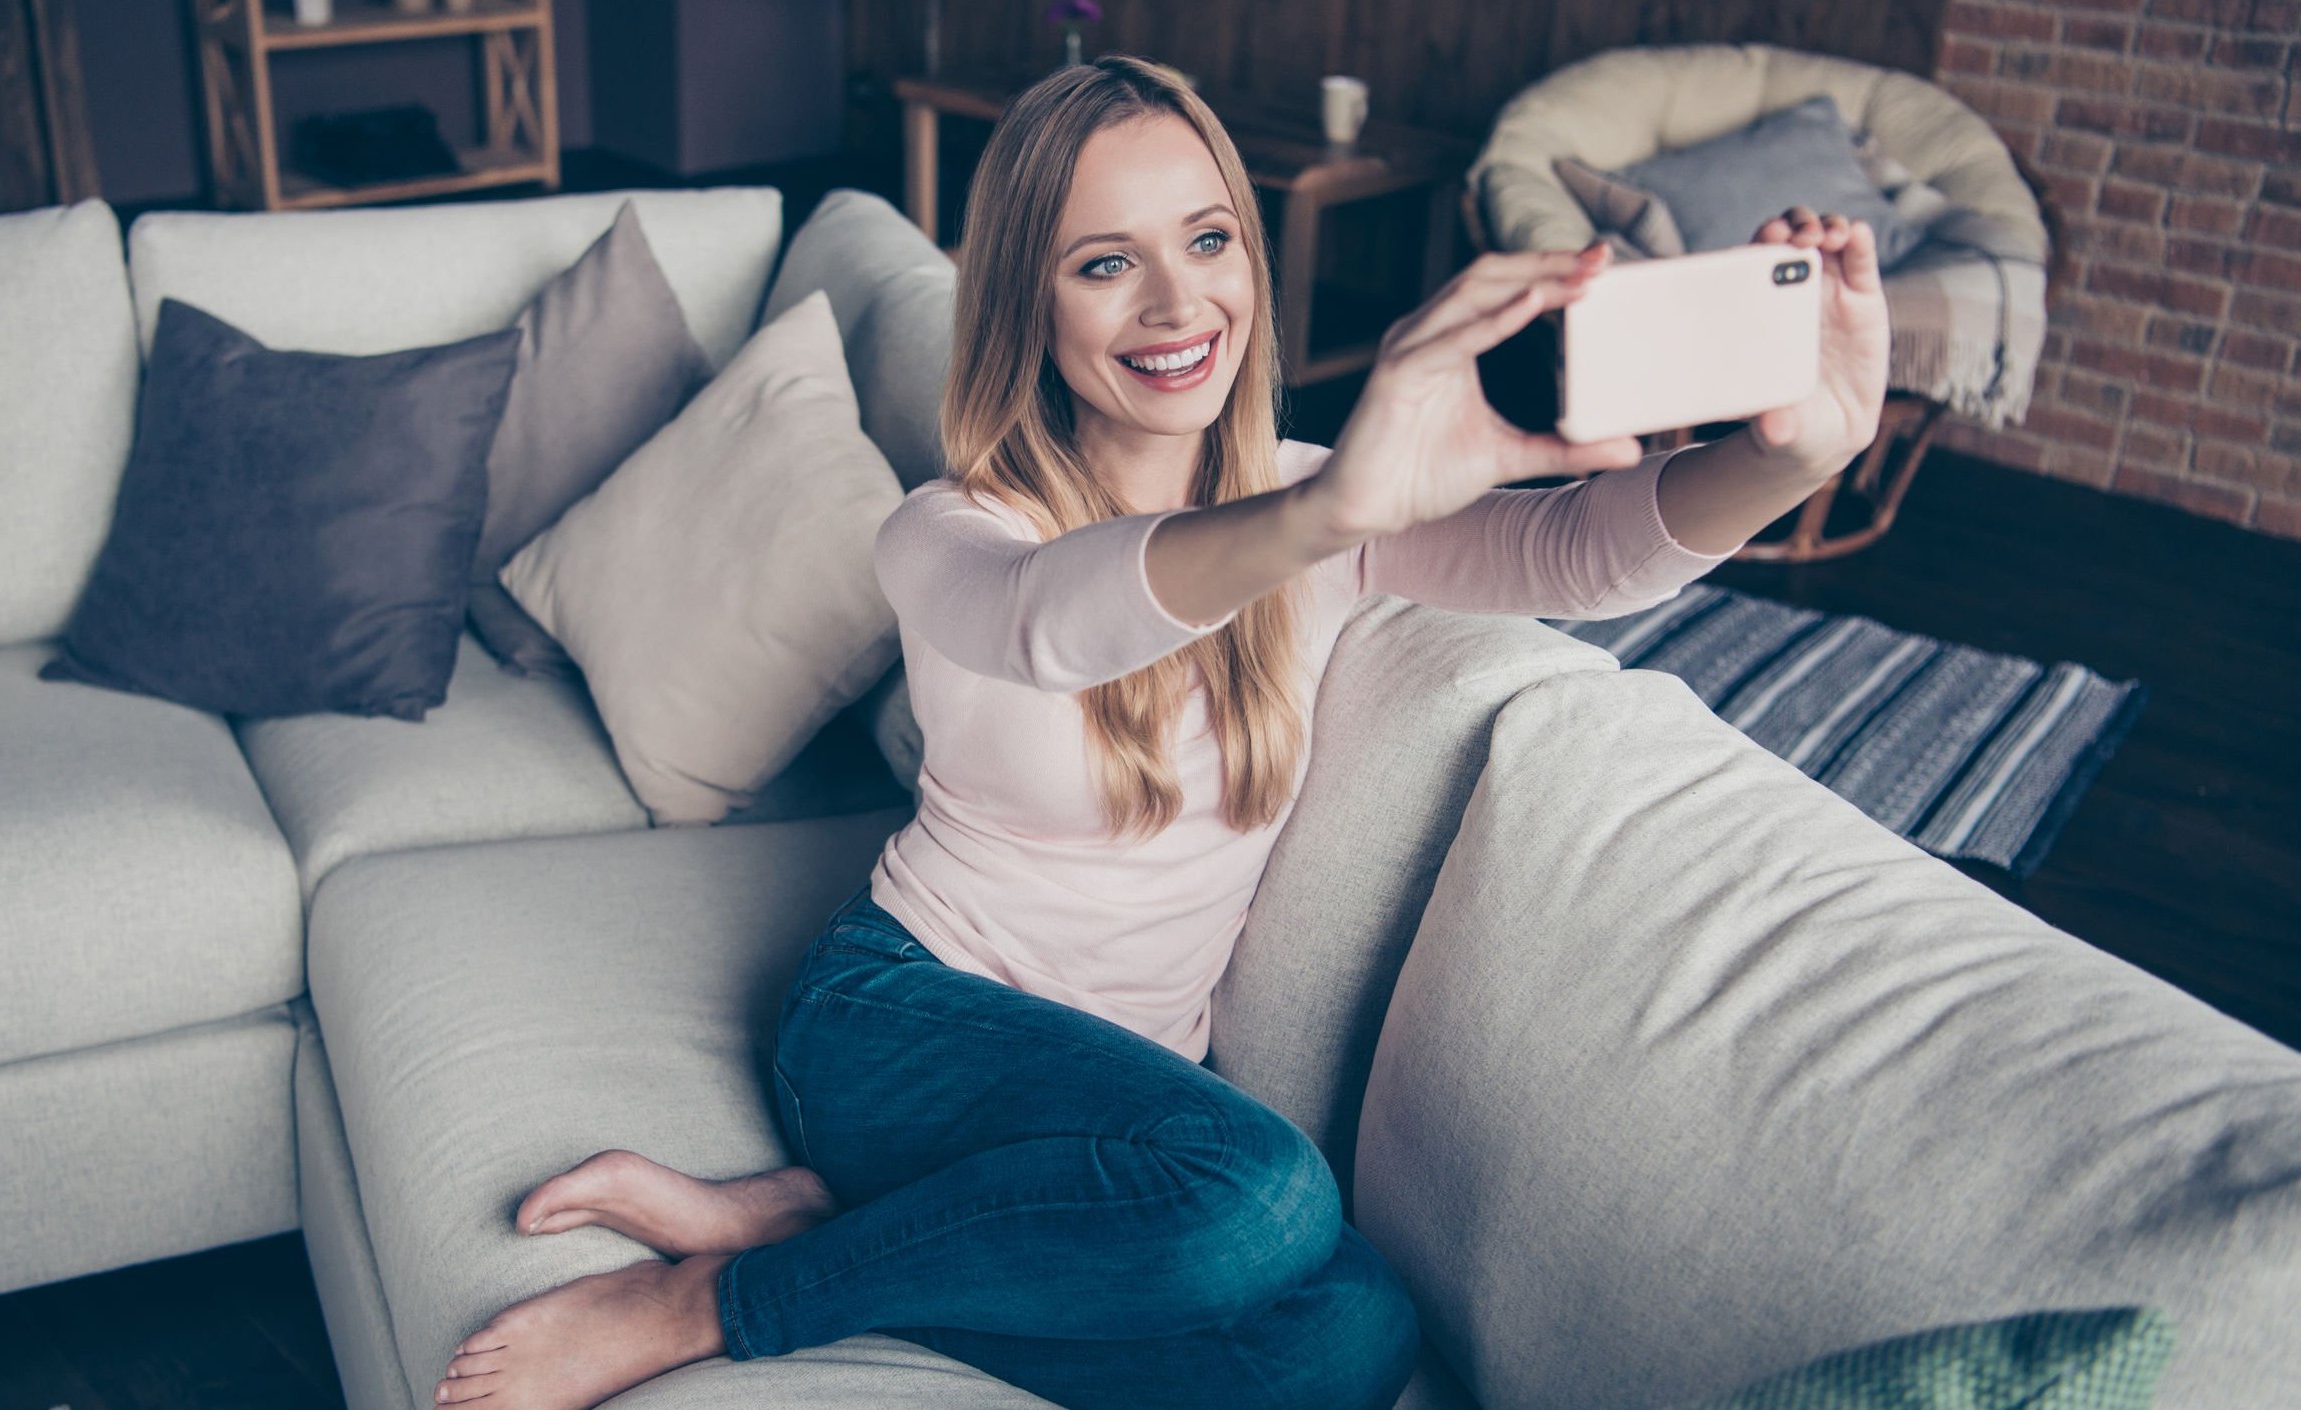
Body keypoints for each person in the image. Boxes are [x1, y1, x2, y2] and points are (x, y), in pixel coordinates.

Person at [429, 55, 1890, 1410]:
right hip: (898, 1026)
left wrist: (1791, 457)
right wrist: (1322, 512)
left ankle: (867, 1230)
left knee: (1357, 1331)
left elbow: (1579, 553)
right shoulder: (953, 532)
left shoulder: (1320, 503)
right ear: (1028, 303)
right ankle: (719, 1300)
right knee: (1264, 1197)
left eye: (1209, 241)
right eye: (1105, 263)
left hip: (1105, 1121)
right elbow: (1060, 621)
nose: (1177, 305)